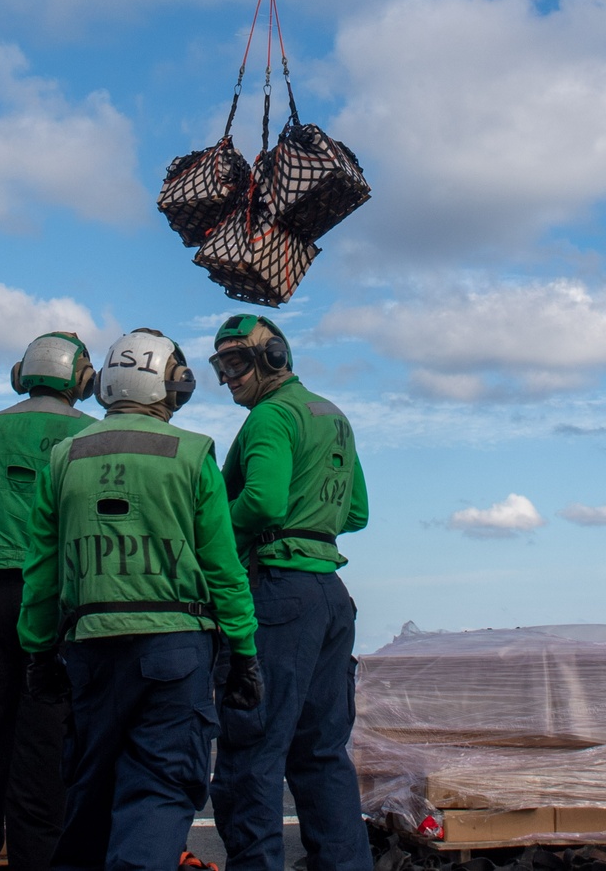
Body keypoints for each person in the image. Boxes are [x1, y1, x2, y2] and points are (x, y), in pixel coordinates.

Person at [19, 328, 262, 871]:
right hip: (175, 655)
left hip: (90, 651)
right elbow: (222, 569)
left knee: (90, 795)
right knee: (158, 791)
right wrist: (244, 651)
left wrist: (38, 651)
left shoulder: (64, 456)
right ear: (170, 386)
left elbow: (42, 570)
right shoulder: (192, 453)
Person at [208, 313, 371, 871]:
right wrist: (312, 520)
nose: (228, 377)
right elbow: (357, 512)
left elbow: (262, 503)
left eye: (235, 363)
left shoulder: (270, 418)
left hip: (278, 594)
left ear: (272, 358)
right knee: (322, 754)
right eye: (220, 366)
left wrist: (210, 537)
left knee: (252, 752)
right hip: (330, 594)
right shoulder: (335, 417)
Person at [0, 333, 99, 871]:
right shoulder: (90, 435)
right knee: (45, 735)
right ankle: (38, 857)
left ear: (21, 374)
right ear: (83, 380)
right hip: (58, 598)